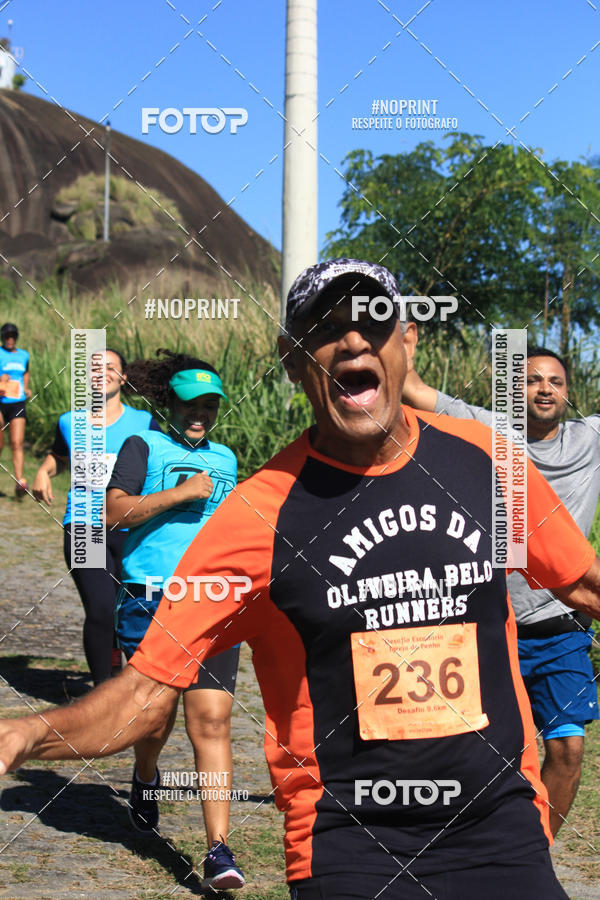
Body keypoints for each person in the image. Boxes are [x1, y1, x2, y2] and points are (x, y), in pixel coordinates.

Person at [1, 259, 600, 900]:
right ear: (292, 360)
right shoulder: (257, 517)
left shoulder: (488, 462)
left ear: (406, 343)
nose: (353, 340)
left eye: (374, 323)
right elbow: (143, 693)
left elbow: (584, 584)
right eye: (326, 328)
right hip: (349, 844)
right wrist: (26, 734)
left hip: (501, 826)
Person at [402, 347, 600, 836]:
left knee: (568, 749)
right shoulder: (491, 429)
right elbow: (413, 390)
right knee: (476, 755)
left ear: (569, 392)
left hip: (561, 630)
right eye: (532, 380)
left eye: (555, 381)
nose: (545, 389)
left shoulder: (590, 439)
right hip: (491, 625)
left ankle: (536, 852)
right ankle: (460, 848)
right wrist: (399, 334)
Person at [105, 350, 244, 892]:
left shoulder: (227, 459)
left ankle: (218, 850)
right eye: (190, 404)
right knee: (154, 718)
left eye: (209, 406)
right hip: (150, 598)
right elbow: (114, 513)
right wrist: (180, 494)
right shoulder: (143, 447)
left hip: (211, 602)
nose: (199, 414)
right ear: (170, 404)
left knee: (211, 721)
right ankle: (146, 778)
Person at [32, 349, 160, 686]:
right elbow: (60, 456)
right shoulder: (68, 422)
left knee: (129, 610)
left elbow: (161, 463)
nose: (101, 373)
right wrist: (44, 471)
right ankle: (103, 692)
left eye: (110, 367)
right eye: (93, 368)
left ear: (124, 377)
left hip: (132, 527)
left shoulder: (145, 424)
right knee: (102, 608)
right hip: (84, 525)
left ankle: (129, 683)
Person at [0, 322, 32, 497]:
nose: (10, 339)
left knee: (17, 443)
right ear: (2, 337)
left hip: (17, 402)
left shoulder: (24, 355)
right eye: (7, 336)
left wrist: (26, 388)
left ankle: (20, 482)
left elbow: (26, 372)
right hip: (0, 401)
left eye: (13, 336)